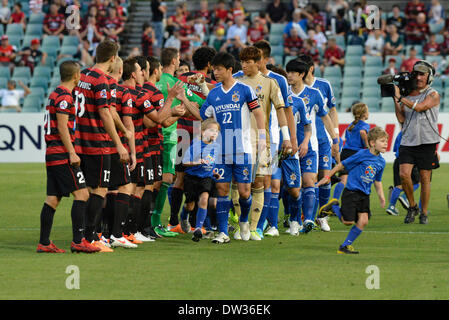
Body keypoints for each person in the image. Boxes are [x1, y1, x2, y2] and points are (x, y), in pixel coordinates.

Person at [185, 52, 266, 244]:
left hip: (243, 148)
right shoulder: (213, 94)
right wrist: (185, 101)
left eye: (219, 69)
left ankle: (244, 221)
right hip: (220, 150)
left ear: (230, 69)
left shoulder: (245, 90)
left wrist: (262, 137)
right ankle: (223, 232)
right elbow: (203, 115)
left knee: (245, 192)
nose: (215, 72)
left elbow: (259, 113)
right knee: (222, 189)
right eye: (213, 69)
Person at [37, 60, 99, 253]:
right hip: (62, 154)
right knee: (82, 194)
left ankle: (44, 243)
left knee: (53, 199)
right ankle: (78, 241)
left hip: (52, 154)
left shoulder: (55, 93)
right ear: (76, 76)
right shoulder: (64, 97)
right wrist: (72, 152)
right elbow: (63, 126)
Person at [73, 40, 129, 249]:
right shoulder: (101, 80)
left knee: (84, 191)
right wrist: (120, 144)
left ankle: (80, 238)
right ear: (113, 58)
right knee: (100, 190)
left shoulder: (81, 76)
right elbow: (105, 112)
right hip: (98, 143)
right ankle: (90, 238)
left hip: (80, 142)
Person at [232, 46, 291, 241]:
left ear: (258, 63)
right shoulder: (236, 82)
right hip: (239, 141)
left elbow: (281, 110)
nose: (244, 65)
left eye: (248, 62)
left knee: (259, 183)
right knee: (239, 184)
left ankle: (255, 227)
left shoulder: (270, 83)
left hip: (262, 141)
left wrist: (287, 137)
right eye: (242, 62)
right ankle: (242, 225)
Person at [153, 47, 204, 237]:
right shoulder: (178, 84)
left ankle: (151, 222)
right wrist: (185, 107)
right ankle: (155, 221)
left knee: (154, 181)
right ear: (175, 61)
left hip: (150, 137)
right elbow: (199, 102)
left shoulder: (155, 82)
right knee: (167, 180)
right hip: (169, 137)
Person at [285, 59, 339, 234]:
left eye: (293, 72)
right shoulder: (283, 93)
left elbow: (325, 116)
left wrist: (335, 139)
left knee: (311, 181)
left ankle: (311, 218)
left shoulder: (314, 93)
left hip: (311, 145)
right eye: (288, 72)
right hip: (290, 147)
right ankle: (294, 220)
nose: (290, 75)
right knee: (294, 187)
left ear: (301, 74)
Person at [168, 46, 217, 234]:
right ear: (209, 64)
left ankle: (174, 222)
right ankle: (200, 224)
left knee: (179, 179)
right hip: (201, 137)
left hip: (181, 132)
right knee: (203, 176)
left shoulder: (180, 79)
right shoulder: (210, 84)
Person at [317, 126, 387, 254]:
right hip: (352, 192)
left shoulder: (381, 162)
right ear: (372, 143)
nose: (385, 144)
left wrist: (381, 196)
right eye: (382, 141)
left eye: (386, 141)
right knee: (347, 221)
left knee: (363, 220)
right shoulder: (362, 154)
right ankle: (333, 207)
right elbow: (341, 165)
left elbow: (377, 180)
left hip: (365, 195)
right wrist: (328, 176)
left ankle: (344, 246)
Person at [393, 60, 441, 224]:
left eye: (422, 74)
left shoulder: (433, 94)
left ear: (429, 77)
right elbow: (401, 118)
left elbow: (420, 107)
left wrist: (401, 97)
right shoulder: (407, 95)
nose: (419, 77)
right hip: (408, 140)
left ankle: (424, 213)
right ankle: (413, 206)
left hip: (427, 141)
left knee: (424, 178)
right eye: (417, 74)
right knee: (403, 175)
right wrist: (395, 98)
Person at [142, 55, 185, 238]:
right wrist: (178, 112)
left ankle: (146, 223)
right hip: (161, 140)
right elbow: (163, 121)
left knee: (156, 181)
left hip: (155, 140)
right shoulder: (159, 90)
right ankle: (152, 223)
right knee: (160, 180)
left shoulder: (145, 89)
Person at [181, 118, 220, 242]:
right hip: (192, 178)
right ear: (203, 132)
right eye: (211, 130)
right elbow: (184, 162)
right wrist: (196, 162)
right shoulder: (195, 145)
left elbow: (211, 163)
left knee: (204, 200)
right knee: (190, 205)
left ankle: (198, 228)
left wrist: (214, 173)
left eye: (217, 131)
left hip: (206, 178)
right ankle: (184, 216)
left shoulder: (216, 147)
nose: (214, 133)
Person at [326, 103, 370, 205]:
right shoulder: (364, 125)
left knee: (343, 179)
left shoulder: (351, 125)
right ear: (364, 114)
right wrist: (367, 146)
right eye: (367, 111)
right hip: (356, 154)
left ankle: (334, 201)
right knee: (359, 180)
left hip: (345, 153)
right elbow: (363, 133)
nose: (368, 113)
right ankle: (357, 203)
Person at [386, 131, 420, 216]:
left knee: (398, 186)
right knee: (417, 182)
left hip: (397, 160)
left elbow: (394, 148)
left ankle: (391, 207)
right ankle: (405, 196)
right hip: (408, 161)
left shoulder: (400, 133)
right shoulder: (414, 132)